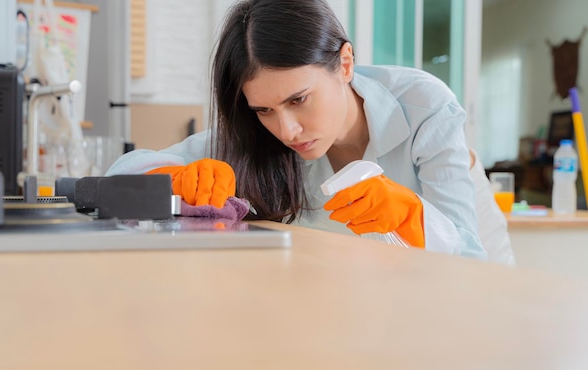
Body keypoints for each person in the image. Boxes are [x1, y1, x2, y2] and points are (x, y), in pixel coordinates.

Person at [107, 0, 489, 260]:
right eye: (264, 109)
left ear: (345, 63)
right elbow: (115, 179)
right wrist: (170, 179)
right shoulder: (257, 135)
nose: (286, 130)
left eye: (299, 100)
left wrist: (414, 217)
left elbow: (472, 258)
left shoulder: (426, 107)